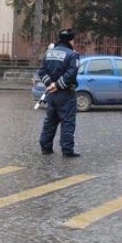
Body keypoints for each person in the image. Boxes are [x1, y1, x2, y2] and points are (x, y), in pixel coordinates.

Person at [37, 28, 80, 157]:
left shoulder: (49, 53)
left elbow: (42, 71)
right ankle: (67, 150)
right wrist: (58, 85)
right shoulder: (72, 55)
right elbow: (71, 74)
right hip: (66, 94)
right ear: (71, 40)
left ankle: (45, 147)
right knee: (67, 122)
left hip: (52, 94)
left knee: (50, 121)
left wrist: (50, 84)